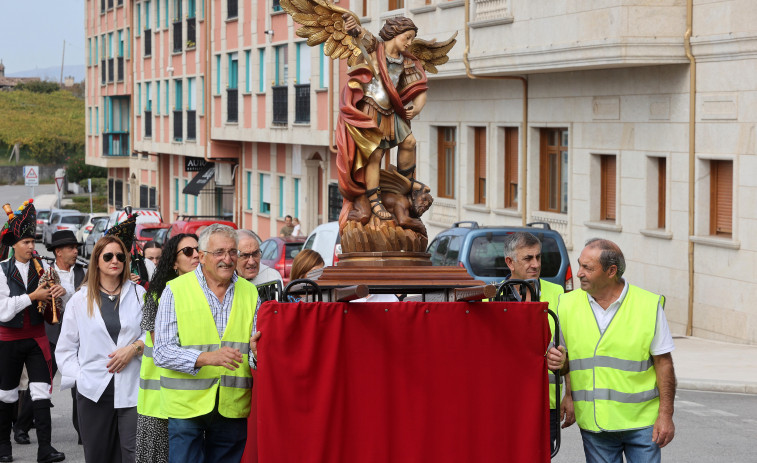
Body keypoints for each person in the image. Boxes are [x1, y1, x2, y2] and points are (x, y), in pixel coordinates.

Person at [547, 239, 676, 463]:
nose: (579, 273)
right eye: (580, 265)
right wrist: (564, 380)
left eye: (588, 268)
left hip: (642, 423)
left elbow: (664, 363)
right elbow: (566, 360)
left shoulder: (647, 305)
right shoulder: (565, 304)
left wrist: (666, 415)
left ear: (611, 271)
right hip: (595, 424)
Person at [154, 224, 259, 463]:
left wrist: (257, 354)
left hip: (232, 405)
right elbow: (161, 351)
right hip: (186, 407)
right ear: (201, 257)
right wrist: (205, 358)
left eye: (233, 252)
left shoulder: (251, 293)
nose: (228, 259)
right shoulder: (175, 290)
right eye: (219, 252)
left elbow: (253, 354)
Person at [56, 235, 146, 463]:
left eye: (120, 256)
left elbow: (151, 335)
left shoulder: (138, 294)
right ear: (97, 260)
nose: (114, 260)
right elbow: (66, 349)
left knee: (133, 454)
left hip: (133, 389)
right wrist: (81, 378)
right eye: (108, 256)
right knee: (98, 455)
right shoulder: (79, 300)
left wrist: (134, 348)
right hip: (93, 391)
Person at [338, 15, 429, 220]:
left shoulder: (406, 61)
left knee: (409, 142)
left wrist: (416, 108)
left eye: (412, 38)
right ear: (394, 33)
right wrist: (353, 27)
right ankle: (374, 200)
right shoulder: (375, 48)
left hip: (391, 112)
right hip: (371, 109)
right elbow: (360, 35)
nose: (409, 42)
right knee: (375, 154)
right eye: (407, 37)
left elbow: (420, 87)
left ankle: (403, 184)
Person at [0, 200, 66, 463]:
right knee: (6, 394)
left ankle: (45, 449)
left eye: (32, 241)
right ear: (13, 244)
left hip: (37, 338)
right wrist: (33, 295)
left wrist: (58, 295)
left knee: (41, 391)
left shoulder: (45, 269)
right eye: (26, 242)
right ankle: (4, 447)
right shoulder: (2, 271)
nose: (31, 246)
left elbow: (55, 305)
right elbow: (3, 310)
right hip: (9, 341)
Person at [501, 232, 573, 453]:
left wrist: (569, 395)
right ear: (510, 262)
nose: (535, 264)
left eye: (538, 257)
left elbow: (567, 347)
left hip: (546, 404)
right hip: (506, 403)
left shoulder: (558, 294)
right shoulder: (493, 297)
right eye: (528, 258)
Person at [15, 231, 86, 447]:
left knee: (80, 384)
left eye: (76, 247)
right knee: (42, 382)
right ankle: (21, 427)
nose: (76, 251)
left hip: (80, 337)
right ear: (58, 252)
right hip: (52, 335)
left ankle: (83, 431)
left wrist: (68, 294)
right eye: (71, 248)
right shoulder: (44, 272)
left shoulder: (84, 272)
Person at [136, 234, 199, 463]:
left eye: (198, 249)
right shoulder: (158, 295)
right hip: (159, 402)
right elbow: (163, 344)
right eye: (188, 252)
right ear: (173, 262)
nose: (196, 255)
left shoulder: (208, 295)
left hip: (193, 396)